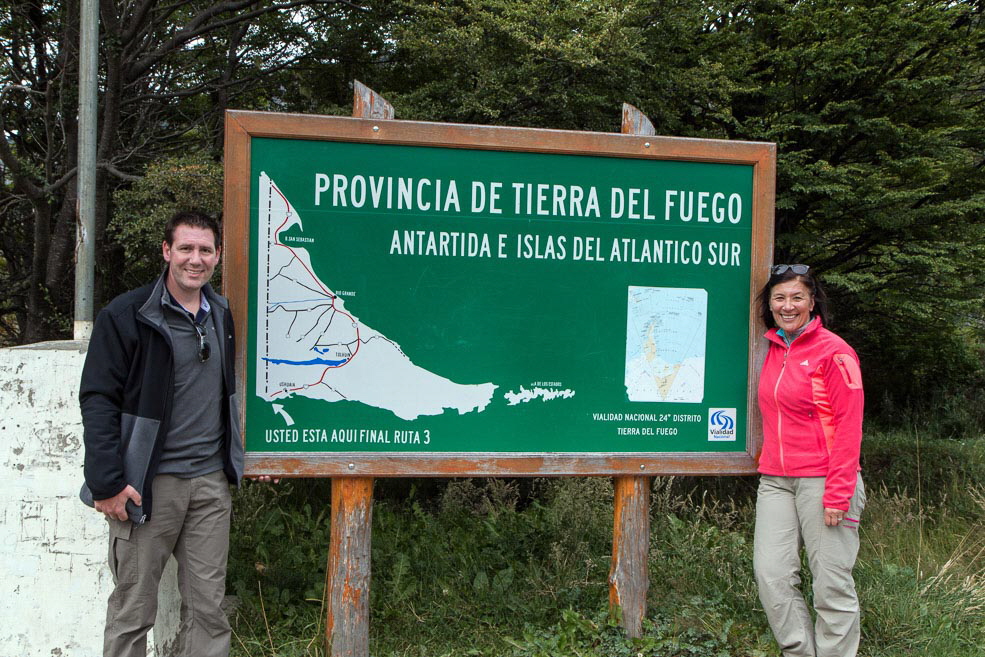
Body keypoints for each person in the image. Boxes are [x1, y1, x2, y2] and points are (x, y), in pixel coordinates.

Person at [80, 210, 244, 657]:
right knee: (133, 613)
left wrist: (239, 461)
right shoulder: (126, 315)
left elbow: (225, 398)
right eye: (186, 248)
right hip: (145, 488)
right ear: (167, 251)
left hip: (209, 485)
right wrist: (107, 483)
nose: (196, 259)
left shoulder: (221, 314)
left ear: (217, 255)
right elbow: (97, 399)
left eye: (205, 250)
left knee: (209, 613)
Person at [753, 263, 866, 657]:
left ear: (812, 301)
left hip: (825, 479)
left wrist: (839, 493)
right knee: (771, 576)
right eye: (779, 298)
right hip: (776, 480)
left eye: (797, 297)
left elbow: (850, 428)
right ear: (769, 305)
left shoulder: (834, 351)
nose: (788, 305)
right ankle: (799, 651)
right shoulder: (769, 349)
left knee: (831, 584)